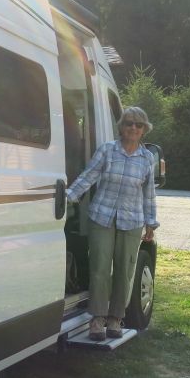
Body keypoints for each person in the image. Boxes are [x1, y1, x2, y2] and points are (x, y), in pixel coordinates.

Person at [66, 106, 158, 341]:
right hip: (102, 217)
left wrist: (151, 223)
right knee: (99, 268)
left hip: (132, 220)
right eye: (129, 123)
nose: (133, 128)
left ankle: (116, 318)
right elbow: (89, 176)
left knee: (125, 271)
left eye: (138, 125)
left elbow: (149, 194)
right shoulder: (107, 150)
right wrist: (69, 196)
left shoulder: (147, 158)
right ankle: (97, 319)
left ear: (144, 129)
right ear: (121, 127)